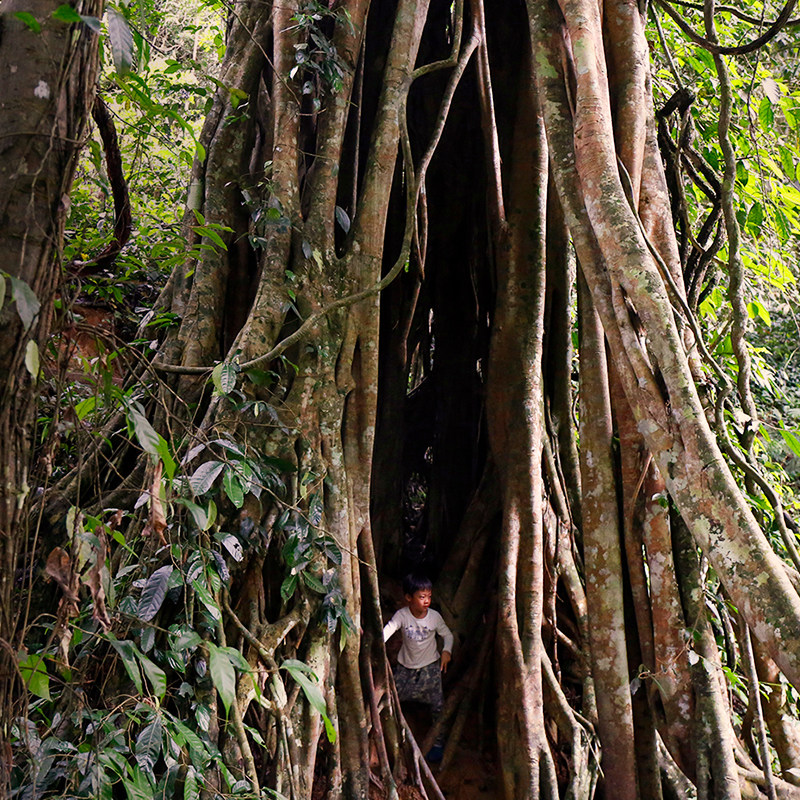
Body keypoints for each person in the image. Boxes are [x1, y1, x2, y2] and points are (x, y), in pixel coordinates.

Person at [383, 574, 453, 762]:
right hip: (406, 668)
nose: (426, 601)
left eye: (429, 597)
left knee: (438, 706)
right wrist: (376, 643)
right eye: (422, 597)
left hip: (430, 669)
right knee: (391, 699)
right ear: (408, 598)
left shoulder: (434, 618)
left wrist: (446, 651)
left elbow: (448, 635)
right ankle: (391, 740)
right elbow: (389, 629)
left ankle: (438, 744)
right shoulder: (402, 615)